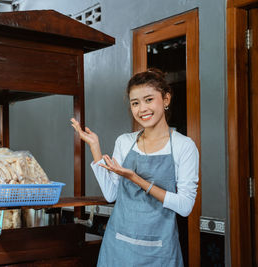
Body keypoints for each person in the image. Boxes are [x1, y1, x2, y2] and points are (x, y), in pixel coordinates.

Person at [71, 68, 199, 266]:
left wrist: (136, 179)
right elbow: (111, 194)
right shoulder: (124, 142)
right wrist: (95, 147)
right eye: (135, 103)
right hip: (118, 248)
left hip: (159, 252)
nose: (142, 109)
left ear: (166, 99)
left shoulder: (184, 146)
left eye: (149, 100)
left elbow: (185, 206)